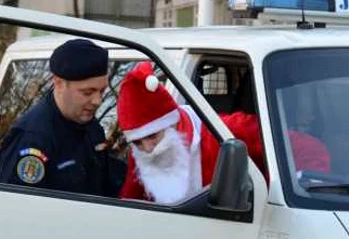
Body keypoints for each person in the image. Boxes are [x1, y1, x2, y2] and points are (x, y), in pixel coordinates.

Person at [116, 62, 330, 204]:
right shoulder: (143, 153)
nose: (148, 149)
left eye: (153, 137)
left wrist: (303, 191)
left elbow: (309, 149)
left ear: (174, 124)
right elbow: (129, 202)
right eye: (137, 143)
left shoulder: (225, 131)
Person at [0, 38, 126, 196]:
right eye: (87, 92)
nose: (97, 101)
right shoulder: (33, 139)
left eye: (102, 91)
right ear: (59, 84)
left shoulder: (91, 127)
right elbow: (13, 209)